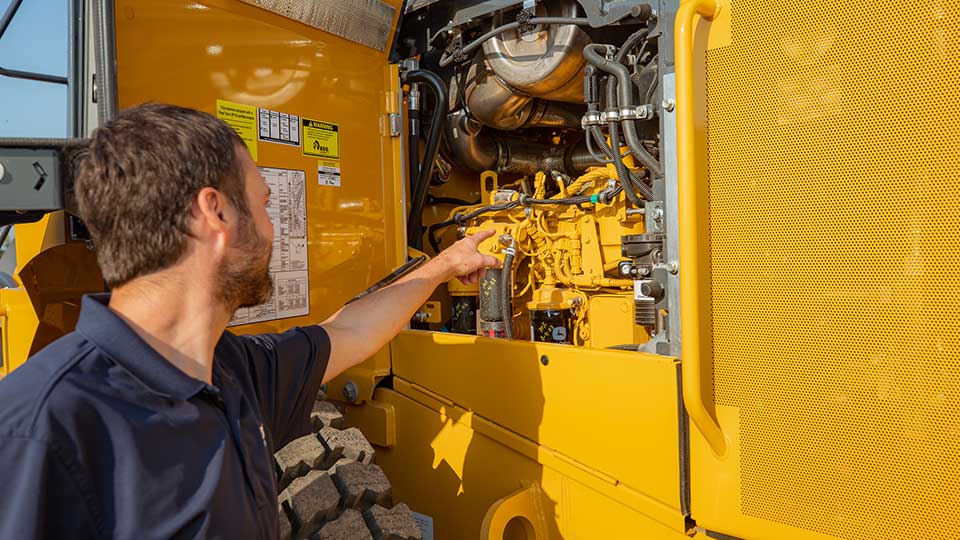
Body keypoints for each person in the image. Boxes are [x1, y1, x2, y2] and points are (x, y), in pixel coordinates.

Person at [0, 103, 499, 539]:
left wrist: (446, 264)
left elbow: (350, 330)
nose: (273, 228)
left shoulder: (233, 371)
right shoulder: (39, 430)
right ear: (214, 213)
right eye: (263, 203)